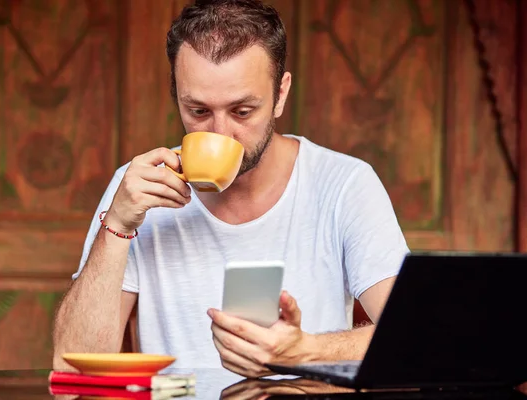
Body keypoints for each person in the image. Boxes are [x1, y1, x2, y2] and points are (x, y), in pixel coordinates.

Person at [52, 0, 409, 379]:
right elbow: (72, 370)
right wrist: (118, 225)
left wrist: (306, 351)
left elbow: (416, 337)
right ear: (176, 96)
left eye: (242, 111)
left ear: (281, 94)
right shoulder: (138, 189)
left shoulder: (344, 184)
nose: (220, 133)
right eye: (199, 111)